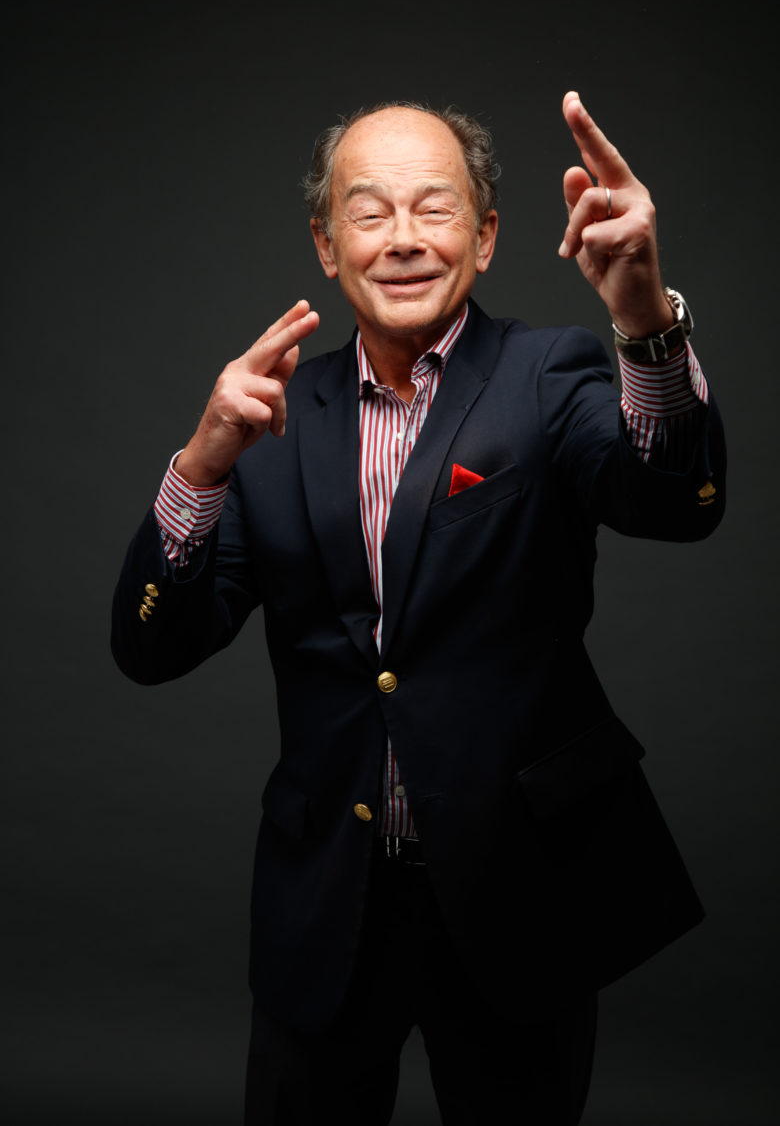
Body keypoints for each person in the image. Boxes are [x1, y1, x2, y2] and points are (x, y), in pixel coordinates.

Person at [111, 92, 726, 1124]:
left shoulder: (551, 373)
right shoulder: (268, 419)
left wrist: (643, 323)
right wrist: (200, 466)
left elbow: (675, 502)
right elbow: (150, 648)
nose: (403, 239)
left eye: (436, 210)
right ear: (327, 245)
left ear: (485, 238)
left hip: (520, 890)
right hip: (328, 899)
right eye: (369, 212)